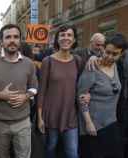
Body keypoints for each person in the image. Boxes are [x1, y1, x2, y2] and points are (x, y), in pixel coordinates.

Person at [0, 24, 38, 158]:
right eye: (8, 37)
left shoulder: (29, 63)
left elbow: (34, 87)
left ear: (20, 40)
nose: (12, 40)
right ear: (2, 41)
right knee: (2, 155)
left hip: (23, 122)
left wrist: (26, 96)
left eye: (16, 37)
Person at [78, 34, 127, 158]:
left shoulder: (117, 66)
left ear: (121, 54)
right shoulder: (92, 67)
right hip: (94, 126)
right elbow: (81, 96)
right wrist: (88, 123)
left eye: (115, 54)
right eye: (107, 52)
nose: (110, 57)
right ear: (103, 49)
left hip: (111, 122)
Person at [37, 25, 81, 158]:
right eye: (62, 35)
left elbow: (82, 87)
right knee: (50, 149)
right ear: (57, 39)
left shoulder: (78, 61)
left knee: (72, 153)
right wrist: (39, 118)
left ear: (74, 40)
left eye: (69, 35)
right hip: (50, 116)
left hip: (71, 115)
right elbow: (42, 91)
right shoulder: (48, 61)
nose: (66, 38)